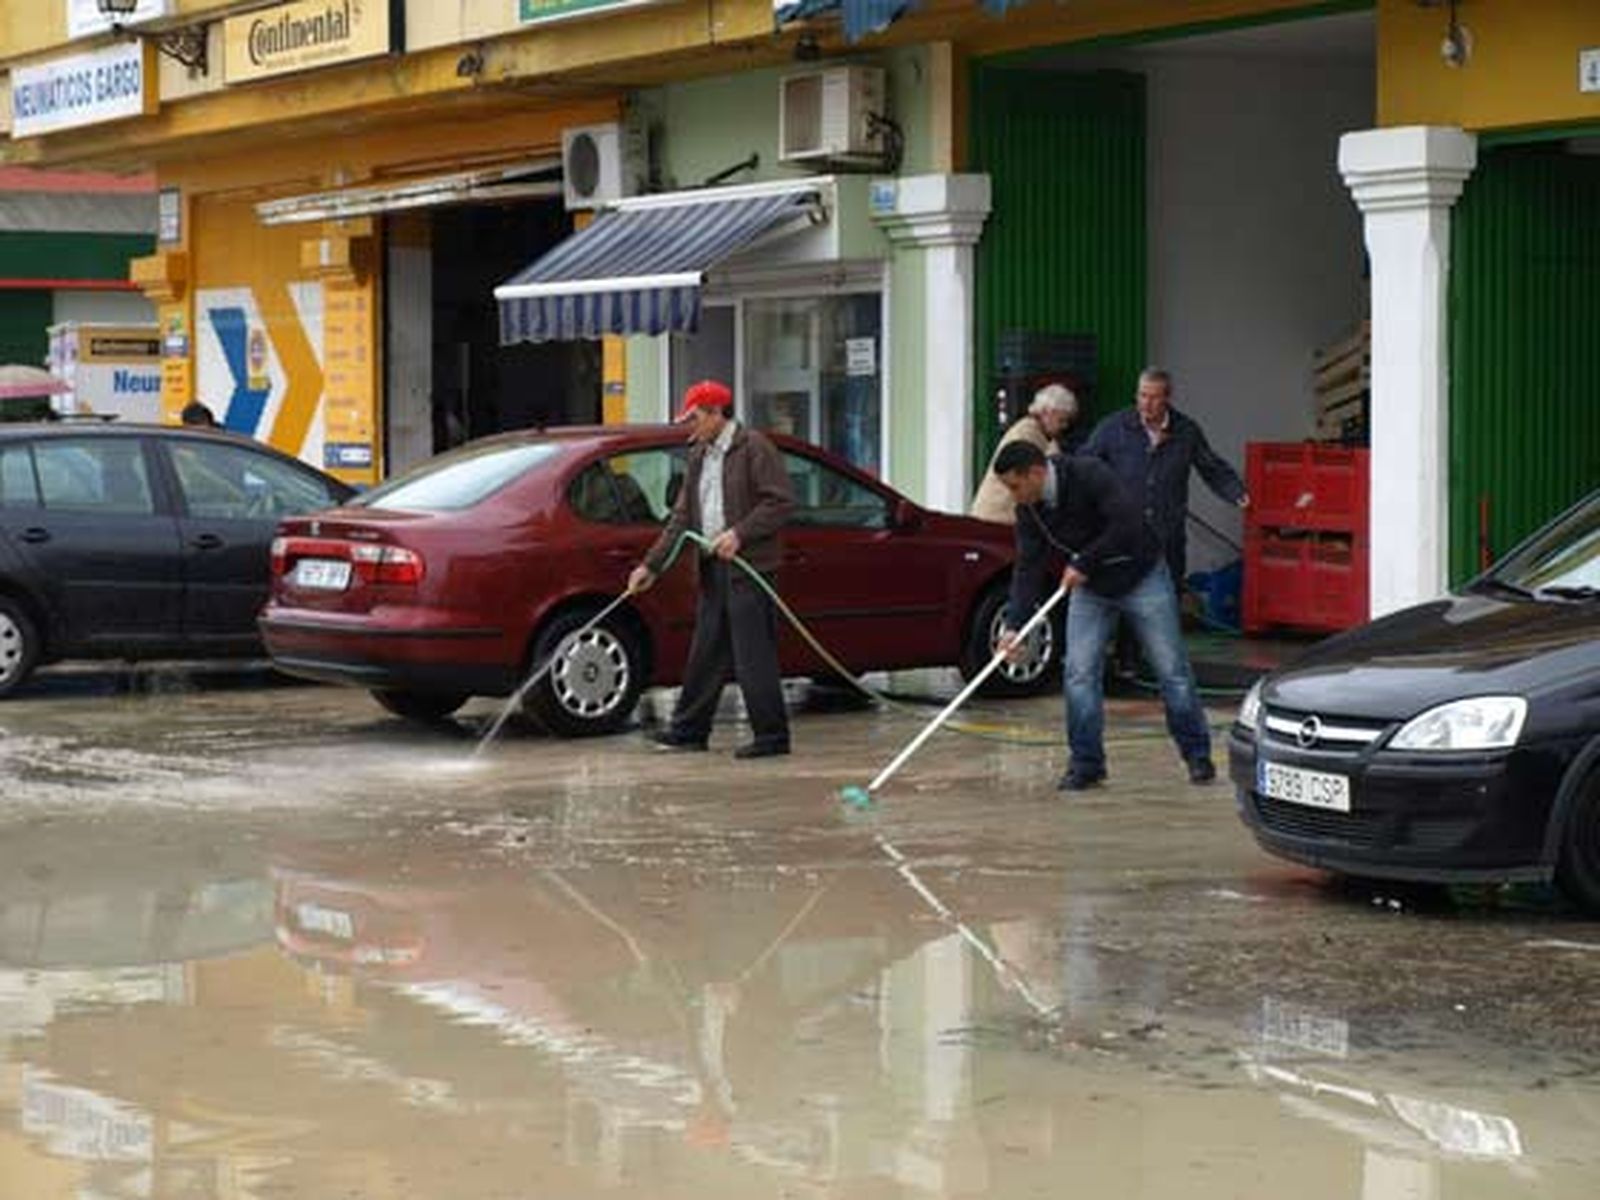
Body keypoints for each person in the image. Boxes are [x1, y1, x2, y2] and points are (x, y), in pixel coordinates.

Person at [993, 440, 1215, 790]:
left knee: (1171, 670)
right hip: (1092, 587)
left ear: (1035, 473)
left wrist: (1084, 561)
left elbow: (1126, 523)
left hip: (1140, 574)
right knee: (1079, 673)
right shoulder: (1029, 510)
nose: (1012, 495)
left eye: (1014, 486)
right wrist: (1014, 626)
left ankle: (1197, 754)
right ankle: (1087, 763)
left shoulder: (1089, 473)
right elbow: (1028, 567)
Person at [629, 380, 795, 759]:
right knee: (706, 651)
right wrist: (650, 565)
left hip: (749, 566)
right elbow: (682, 516)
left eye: (695, 418)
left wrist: (739, 533)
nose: (691, 426)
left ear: (716, 413)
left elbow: (780, 503)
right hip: (712, 567)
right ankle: (690, 730)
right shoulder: (699, 454)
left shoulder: (754, 448)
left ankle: (772, 737)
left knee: (754, 654)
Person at [1080, 367, 1248, 598]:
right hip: (1123, 535)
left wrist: (1235, 492)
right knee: (1124, 602)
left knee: (1167, 601)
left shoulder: (1186, 431)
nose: (1146, 404)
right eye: (1142, 395)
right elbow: (1085, 464)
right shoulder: (1113, 427)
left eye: (1154, 397)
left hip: (1167, 537)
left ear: (1167, 398)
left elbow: (1211, 466)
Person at [969, 383, 1079, 525]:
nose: (1064, 426)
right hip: (999, 518)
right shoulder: (1028, 433)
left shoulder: (1035, 432)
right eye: (1061, 420)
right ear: (1047, 412)